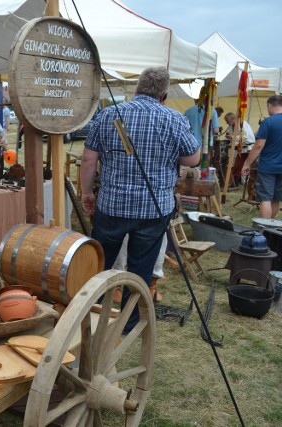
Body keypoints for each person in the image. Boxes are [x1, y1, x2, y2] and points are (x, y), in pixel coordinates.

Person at [80, 66, 200, 333]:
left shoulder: (109, 114)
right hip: (153, 209)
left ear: (136, 89)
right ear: (164, 94)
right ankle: (128, 324)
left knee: (100, 264)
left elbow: (88, 160)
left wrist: (86, 193)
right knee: (140, 269)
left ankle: (92, 314)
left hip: (112, 205)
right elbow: (192, 159)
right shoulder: (174, 118)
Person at [242, 95, 282, 219]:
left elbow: (259, 145)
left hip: (268, 166)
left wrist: (247, 163)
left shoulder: (268, 122)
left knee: (265, 198)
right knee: (276, 198)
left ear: (270, 105)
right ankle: (270, 226)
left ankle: (263, 229)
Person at [224, 112, 256, 184]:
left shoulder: (242, 124)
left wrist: (232, 137)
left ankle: (248, 181)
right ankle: (236, 182)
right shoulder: (232, 125)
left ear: (232, 119)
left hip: (248, 148)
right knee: (237, 165)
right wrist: (229, 136)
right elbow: (230, 133)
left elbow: (245, 137)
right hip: (240, 148)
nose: (226, 123)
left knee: (246, 165)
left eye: (227, 121)